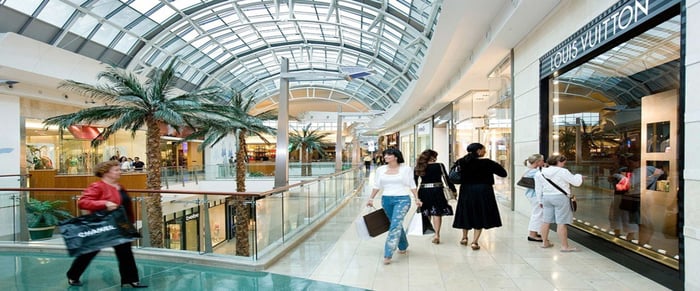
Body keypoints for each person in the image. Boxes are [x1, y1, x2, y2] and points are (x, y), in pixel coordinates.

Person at [66, 160, 148, 288]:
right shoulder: (97, 186)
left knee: (125, 252)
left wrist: (129, 223)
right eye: (116, 170)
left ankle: (131, 279)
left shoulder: (120, 187)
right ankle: (73, 275)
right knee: (90, 251)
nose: (119, 172)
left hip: (120, 225)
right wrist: (104, 203)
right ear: (106, 173)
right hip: (102, 225)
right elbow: (83, 202)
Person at [366, 148, 422, 265]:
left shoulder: (405, 169)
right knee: (395, 224)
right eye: (385, 155)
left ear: (396, 157)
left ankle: (388, 254)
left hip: (402, 200)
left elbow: (412, 184)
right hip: (386, 200)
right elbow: (377, 185)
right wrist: (371, 198)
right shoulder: (381, 170)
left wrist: (417, 198)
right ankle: (403, 245)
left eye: (388, 155)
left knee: (394, 225)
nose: (385, 157)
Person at [452, 143, 507, 250]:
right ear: (478, 151)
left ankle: (464, 237)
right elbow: (503, 173)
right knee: (479, 213)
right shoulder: (487, 162)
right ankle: (474, 242)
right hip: (483, 191)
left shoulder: (462, 161)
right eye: (483, 149)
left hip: (466, 190)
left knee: (466, 212)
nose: (485, 151)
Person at [535, 154, 582, 252]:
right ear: (558, 162)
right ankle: (564, 246)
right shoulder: (563, 171)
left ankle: (544, 243)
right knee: (561, 222)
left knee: (546, 221)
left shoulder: (540, 173)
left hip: (546, 197)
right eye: (563, 162)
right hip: (561, 198)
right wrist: (579, 176)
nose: (563, 164)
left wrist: (540, 200)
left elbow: (538, 189)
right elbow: (577, 182)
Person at [413, 149, 456, 244]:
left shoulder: (419, 167)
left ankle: (427, 230)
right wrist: (453, 190)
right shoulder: (439, 166)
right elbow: (447, 179)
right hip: (437, 190)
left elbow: (414, 182)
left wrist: (416, 196)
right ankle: (437, 234)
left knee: (426, 211)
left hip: (424, 190)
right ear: (432, 157)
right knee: (437, 212)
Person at [522, 154, 545, 242]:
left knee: (537, 213)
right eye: (542, 160)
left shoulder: (529, 170)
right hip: (535, 196)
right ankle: (532, 234)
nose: (543, 162)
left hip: (531, 195)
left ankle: (534, 232)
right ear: (537, 162)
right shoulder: (535, 172)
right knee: (537, 214)